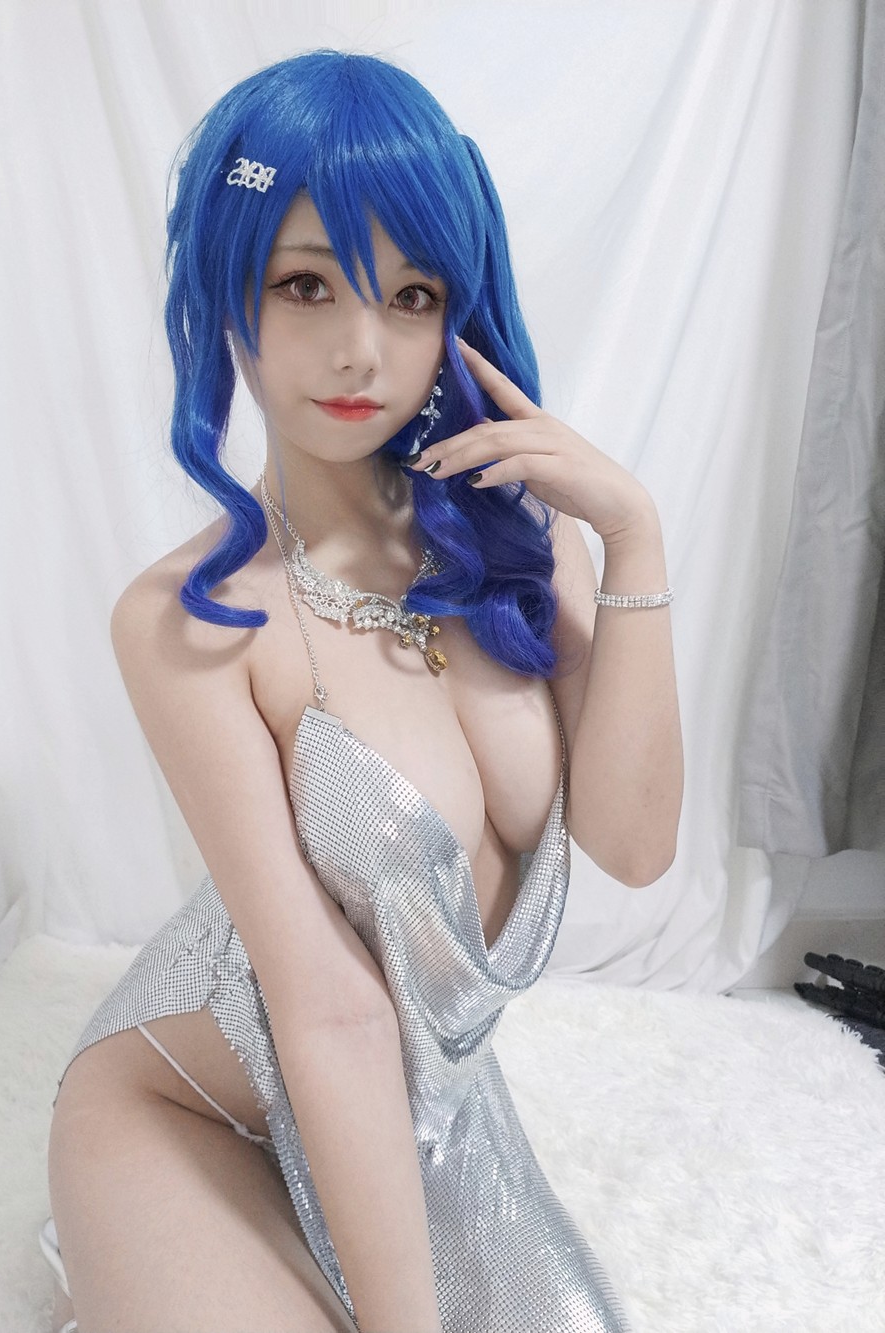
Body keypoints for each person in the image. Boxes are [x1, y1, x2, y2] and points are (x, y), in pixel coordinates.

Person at [42, 48, 682, 1333]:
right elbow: (328, 1007)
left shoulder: (521, 546)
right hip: (192, 1114)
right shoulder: (191, 619)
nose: (359, 348)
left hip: (417, 1121)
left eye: (409, 295)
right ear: (228, 287)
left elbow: (633, 842)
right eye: (305, 284)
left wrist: (634, 537)